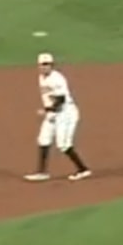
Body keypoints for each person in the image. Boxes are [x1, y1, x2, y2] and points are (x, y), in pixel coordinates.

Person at [24, 52, 91, 182]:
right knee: (43, 140)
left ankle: (83, 170)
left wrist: (47, 110)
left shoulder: (57, 79)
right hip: (53, 113)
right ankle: (42, 173)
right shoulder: (41, 77)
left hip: (66, 114)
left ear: (52, 65)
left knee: (63, 145)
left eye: (47, 64)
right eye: (42, 65)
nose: (44, 67)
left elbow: (61, 100)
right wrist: (49, 111)